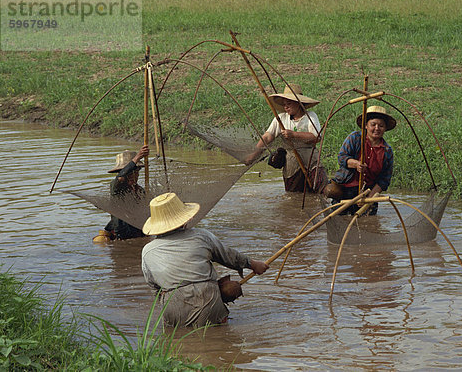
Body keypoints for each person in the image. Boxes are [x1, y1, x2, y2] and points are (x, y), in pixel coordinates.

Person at [141, 192, 269, 328]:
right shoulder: (201, 236)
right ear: (184, 219)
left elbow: (155, 287)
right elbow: (229, 256)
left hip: (173, 309)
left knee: (178, 340)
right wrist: (253, 264)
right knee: (220, 334)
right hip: (208, 301)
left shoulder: (147, 251)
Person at [245, 83, 327, 193]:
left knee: (322, 190)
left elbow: (316, 137)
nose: (286, 107)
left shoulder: (310, 116)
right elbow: (268, 137)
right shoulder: (281, 118)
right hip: (291, 163)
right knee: (294, 195)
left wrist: (294, 135)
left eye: (289, 104)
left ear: (299, 103)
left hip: (311, 159)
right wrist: (253, 156)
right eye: (284, 104)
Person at [327, 106, 396, 215]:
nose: (377, 128)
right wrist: (356, 164)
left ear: (385, 128)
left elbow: (384, 180)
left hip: (368, 192)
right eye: (373, 124)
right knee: (339, 218)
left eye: (381, 126)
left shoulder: (387, 151)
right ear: (366, 126)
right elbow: (342, 157)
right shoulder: (355, 138)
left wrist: (369, 198)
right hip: (346, 190)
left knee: (367, 223)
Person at [93, 145, 149, 242]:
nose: (132, 176)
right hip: (122, 234)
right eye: (129, 173)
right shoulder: (116, 188)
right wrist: (137, 157)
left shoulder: (140, 190)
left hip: (138, 231)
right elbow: (120, 177)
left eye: (135, 172)